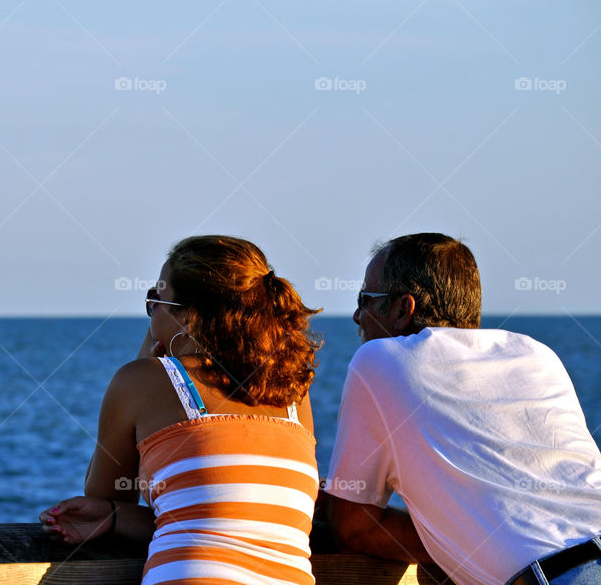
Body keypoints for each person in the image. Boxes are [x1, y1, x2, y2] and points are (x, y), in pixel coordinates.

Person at [39, 235, 322, 584]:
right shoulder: (292, 394)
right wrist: (112, 515)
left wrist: (145, 358)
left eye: (154, 300)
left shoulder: (142, 380)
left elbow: (107, 494)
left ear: (190, 316)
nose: (150, 311)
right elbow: (231, 523)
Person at [325, 232, 601, 585]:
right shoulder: (537, 353)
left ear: (401, 309)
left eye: (365, 299)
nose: (356, 315)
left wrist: (449, 538)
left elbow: (354, 528)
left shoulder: (379, 360)